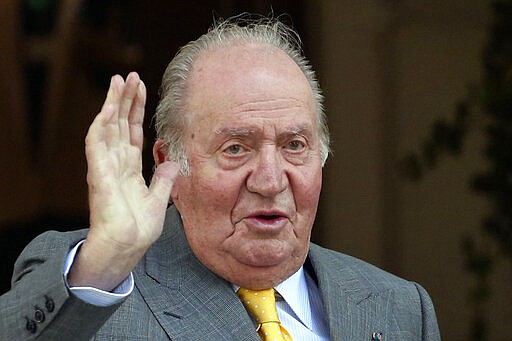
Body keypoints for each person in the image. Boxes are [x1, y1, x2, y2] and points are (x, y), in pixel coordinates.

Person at [0, 16, 440, 340]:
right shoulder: (94, 284)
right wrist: (109, 258)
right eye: (236, 149)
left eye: (294, 146)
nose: (270, 180)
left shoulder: (399, 309)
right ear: (170, 166)